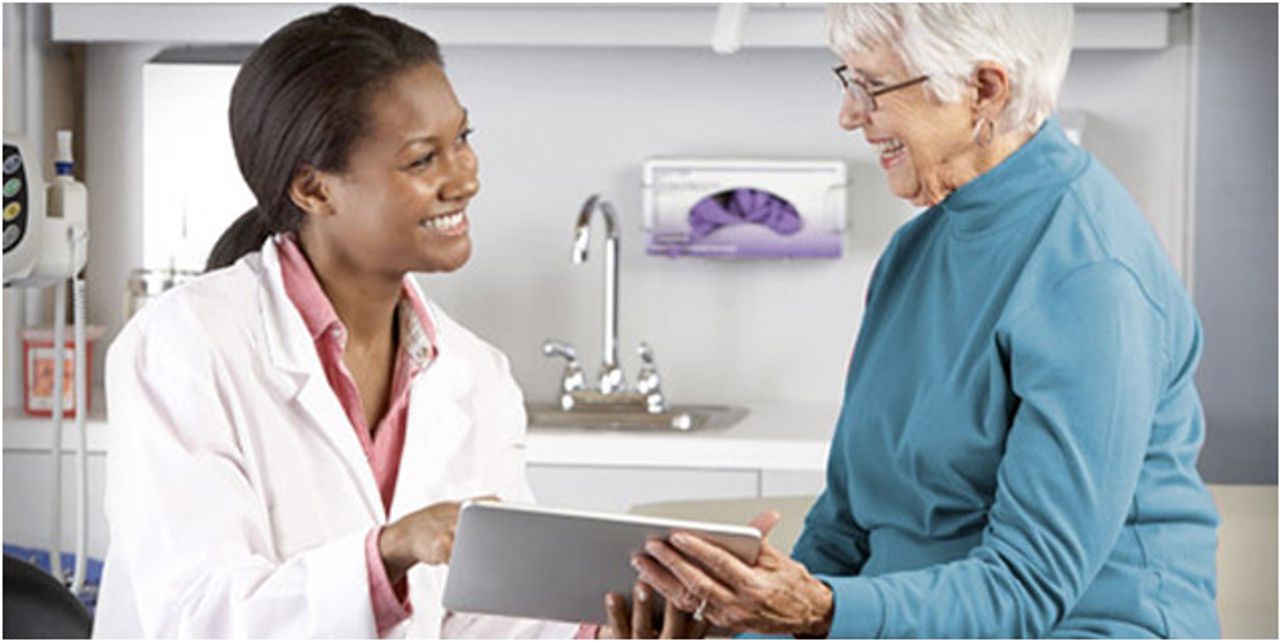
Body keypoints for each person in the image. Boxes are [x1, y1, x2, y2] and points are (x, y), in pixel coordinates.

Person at [633, 4, 1220, 638]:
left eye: (874, 87)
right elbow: (845, 528)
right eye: (850, 81)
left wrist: (818, 612)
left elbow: (1026, 587)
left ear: (984, 90)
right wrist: (739, 620)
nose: (849, 114)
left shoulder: (1091, 275)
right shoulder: (915, 252)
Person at [93, 6, 679, 638]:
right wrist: (390, 552)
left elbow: (474, 617)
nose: (465, 178)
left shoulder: (475, 374)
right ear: (315, 190)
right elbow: (195, 613)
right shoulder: (185, 345)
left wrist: (607, 632)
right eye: (423, 159)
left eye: (462, 138)